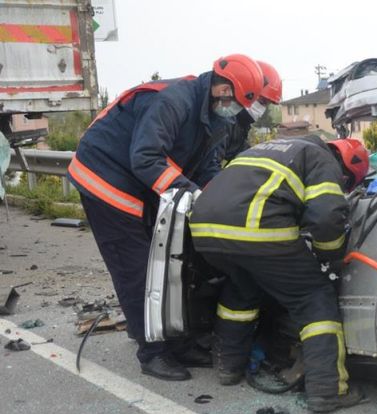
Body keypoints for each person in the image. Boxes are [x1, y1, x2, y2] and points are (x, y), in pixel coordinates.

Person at [67, 54, 265, 381]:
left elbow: (206, 167)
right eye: (231, 101)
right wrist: (192, 193)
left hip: (139, 185)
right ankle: (152, 353)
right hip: (104, 178)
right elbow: (146, 158)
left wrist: (219, 199)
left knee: (174, 265)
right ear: (221, 86)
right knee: (140, 270)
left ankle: (178, 343)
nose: (233, 109)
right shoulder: (174, 102)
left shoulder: (218, 118)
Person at [188, 135, 369, 413]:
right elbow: (326, 216)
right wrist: (329, 257)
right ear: (345, 167)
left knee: (242, 289)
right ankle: (327, 391)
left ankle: (228, 367)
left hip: (205, 231)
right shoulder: (322, 159)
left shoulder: (271, 148)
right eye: (346, 182)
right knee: (313, 298)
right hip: (255, 229)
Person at [225, 61, 283, 160]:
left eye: (267, 105)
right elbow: (209, 167)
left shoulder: (241, 126)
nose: (262, 109)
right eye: (262, 101)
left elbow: (240, 156)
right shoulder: (222, 124)